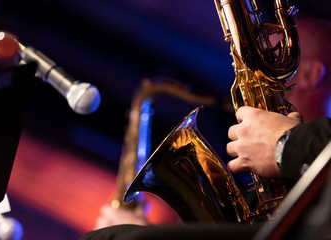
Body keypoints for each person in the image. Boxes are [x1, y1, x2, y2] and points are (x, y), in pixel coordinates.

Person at [85, 16, 331, 239]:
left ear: (310, 73)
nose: (256, 71)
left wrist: (285, 144)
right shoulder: (263, 188)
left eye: (270, 55)